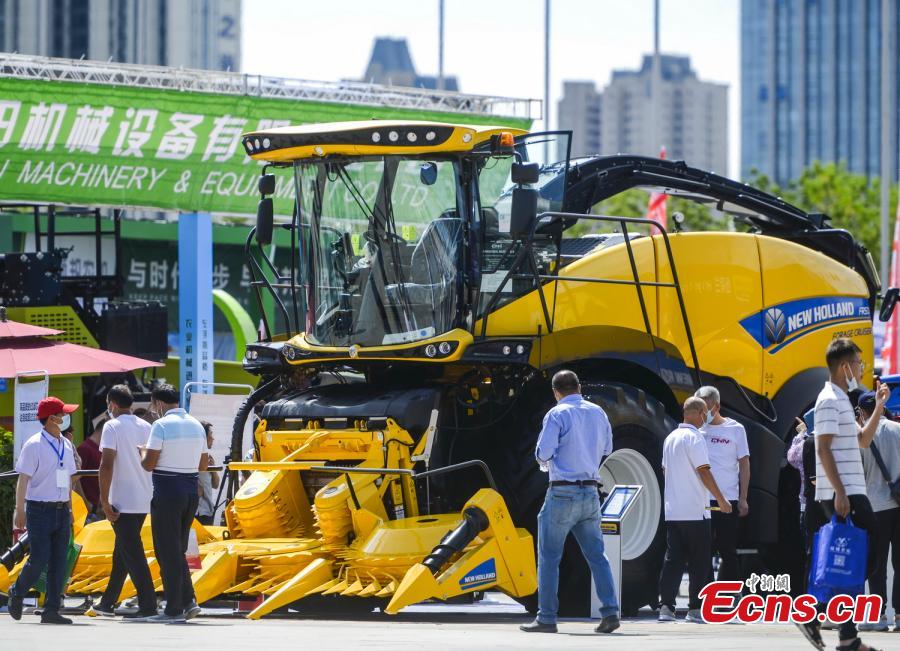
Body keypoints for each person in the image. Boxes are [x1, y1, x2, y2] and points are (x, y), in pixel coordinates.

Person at [796, 338, 888, 651]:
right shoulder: (827, 400)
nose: (863, 369)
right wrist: (839, 492)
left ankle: (847, 636)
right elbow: (821, 448)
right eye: (860, 363)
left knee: (853, 559)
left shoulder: (842, 399)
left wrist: (878, 407)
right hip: (842, 491)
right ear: (845, 367)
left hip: (851, 489)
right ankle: (816, 614)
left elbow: (862, 441)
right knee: (869, 550)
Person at [519, 370, 620, 635]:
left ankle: (547, 618)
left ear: (556, 392)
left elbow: (543, 452)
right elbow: (608, 448)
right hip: (590, 493)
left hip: (562, 493)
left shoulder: (557, 414)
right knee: (598, 557)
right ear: (578, 386)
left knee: (549, 557)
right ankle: (610, 612)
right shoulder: (598, 412)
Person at [658, 396, 732, 624]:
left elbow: (664, 470)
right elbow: (704, 471)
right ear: (700, 413)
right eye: (705, 414)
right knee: (700, 561)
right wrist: (721, 499)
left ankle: (666, 607)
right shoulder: (696, 438)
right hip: (696, 510)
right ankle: (695, 609)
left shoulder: (670, 438)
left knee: (673, 559)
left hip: (673, 510)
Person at [7, 397, 80, 625]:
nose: (66, 417)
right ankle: (17, 592)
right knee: (39, 558)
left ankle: (51, 609)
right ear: (52, 419)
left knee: (59, 561)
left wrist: (69, 508)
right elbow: (23, 478)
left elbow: (67, 479)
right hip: (39, 509)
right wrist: (20, 509)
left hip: (61, 510)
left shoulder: (66, 445)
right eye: (62, 413)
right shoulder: (34, 444)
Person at [140, 384, 208, 623]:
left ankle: (173, 609)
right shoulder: (196, 425)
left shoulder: (160, 426)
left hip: (167, 492)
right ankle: (188, 600)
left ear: (158, 403)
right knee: (176, 550)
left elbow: (148, 464)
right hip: (190, 493)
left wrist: (142, 452)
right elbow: (203, 465)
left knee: (167, 552)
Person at [92, 384, 157, 620]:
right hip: (144, 498)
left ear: (112, 404)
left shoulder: (112, 426)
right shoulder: (147, 426)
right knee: (123, 551)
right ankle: (108, 601)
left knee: (132, 553)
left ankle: (149, 604)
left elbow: (106, 464)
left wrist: (104, 500)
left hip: (121, 499)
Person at [695, 386, 750, 583]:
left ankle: (731, 592)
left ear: (716, 406)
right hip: (703, 500)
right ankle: (707, 594)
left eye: (705, 409)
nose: (702, 414)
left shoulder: (736, 429)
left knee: (727, 549)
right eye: (699, 409)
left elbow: (744, 464)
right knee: (704, 549)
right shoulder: (697, 431)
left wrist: (743, 498)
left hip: (729, 499)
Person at [856, 390, 900, 633]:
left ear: (862, 412)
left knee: (877, 563)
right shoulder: (898, 429)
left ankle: (879, 615)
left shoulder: (862, 435)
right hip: (899, 505)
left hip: (875, 505)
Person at [77, 418, 105, 514]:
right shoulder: (84, 449)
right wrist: (86, 503)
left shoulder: (103, 450)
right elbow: (75, 479)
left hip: (102, 508)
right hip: (91, 510)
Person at [196, 421, 220, 526]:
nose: (213, 438)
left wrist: (213, 470)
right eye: (211, 434)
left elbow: (215, 485)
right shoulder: (194, 456)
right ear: (204, 438)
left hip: (208, 511)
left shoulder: (208, 457)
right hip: (197, 513)